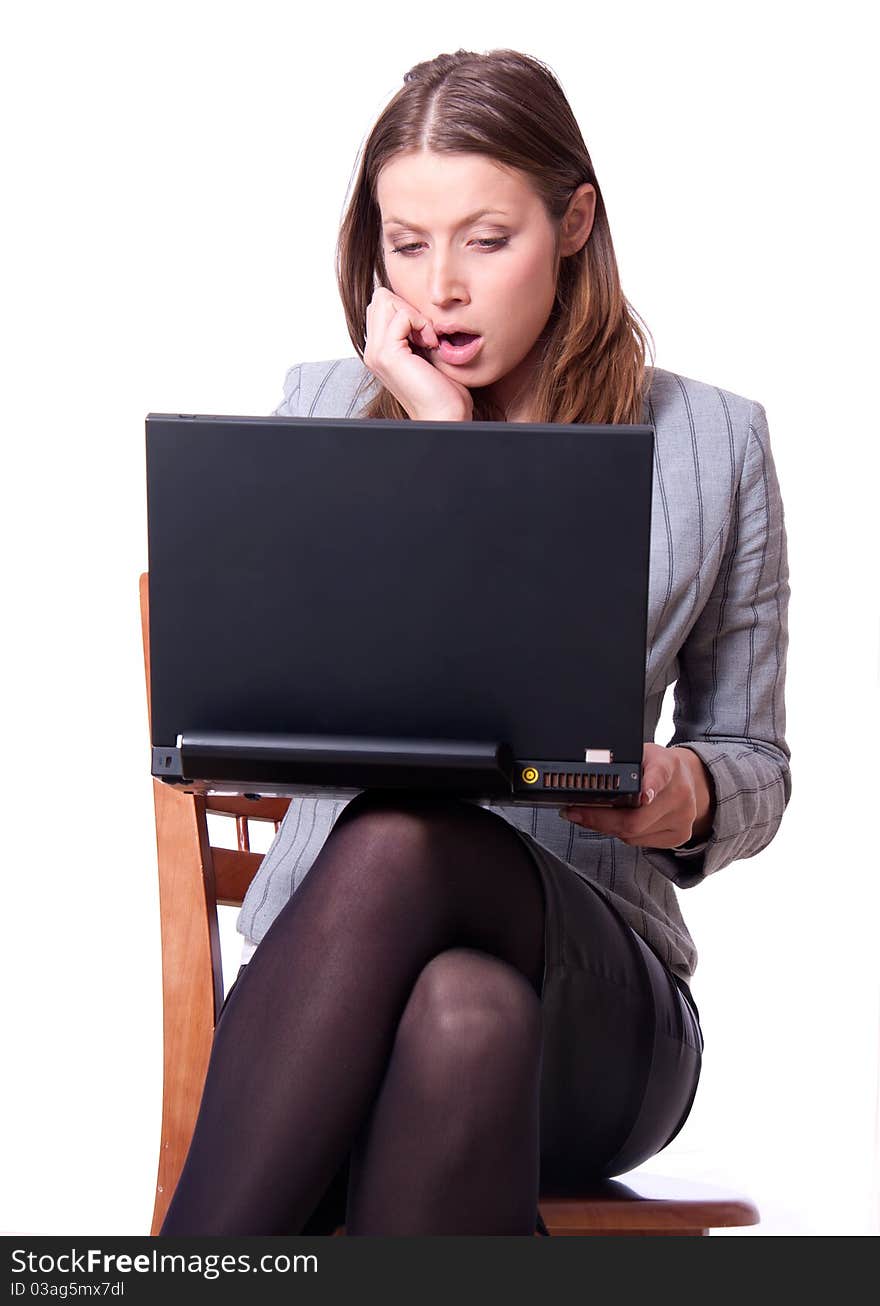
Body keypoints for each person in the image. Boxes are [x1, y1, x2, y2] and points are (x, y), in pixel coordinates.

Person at [159, 47, 792, 1236]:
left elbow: (755, 757)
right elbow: (230, 737)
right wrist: (432, 442)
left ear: (572, 222)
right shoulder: (318, 414)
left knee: (409, 840)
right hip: (340, 997)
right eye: (406, 244)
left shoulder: (714, 444)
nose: (439, 287)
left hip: (598, 1008)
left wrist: (683, 790)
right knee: (459, 1011)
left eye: (483, 241)